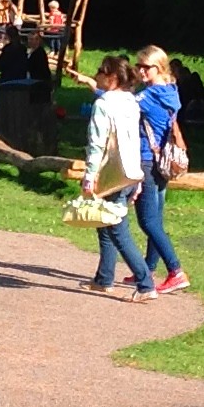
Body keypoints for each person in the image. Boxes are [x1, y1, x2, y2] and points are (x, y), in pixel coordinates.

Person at [79, 55, 156, 300]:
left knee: (118, 229)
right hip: (128, 172)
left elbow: (97, 143)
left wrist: (90, 176)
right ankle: (104, 278)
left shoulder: (103, 105)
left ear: (112, 77)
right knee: (105, 223)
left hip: (110, 173)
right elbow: (134, 140)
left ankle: (146, 284)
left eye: (101, 71)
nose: (97, 75)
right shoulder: (131, 102)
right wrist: (138, 177)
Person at [133, 47, 190, 293]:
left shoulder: (149, 96)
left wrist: (96, 87)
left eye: (147, 67)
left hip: (147, 158)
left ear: (160, 67)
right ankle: (148, 268)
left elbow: (121, 105)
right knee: (155, 219)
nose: (141, 71)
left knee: (148, 221)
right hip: (163, 161)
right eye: (139, 66)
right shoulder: (171, 91)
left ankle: (175, 270)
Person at [0, 24, 33, 134]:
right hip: (21, 81)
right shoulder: (23, 49)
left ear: (8, 36)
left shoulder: (8, 49)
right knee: (18, 108)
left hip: (7, 82)